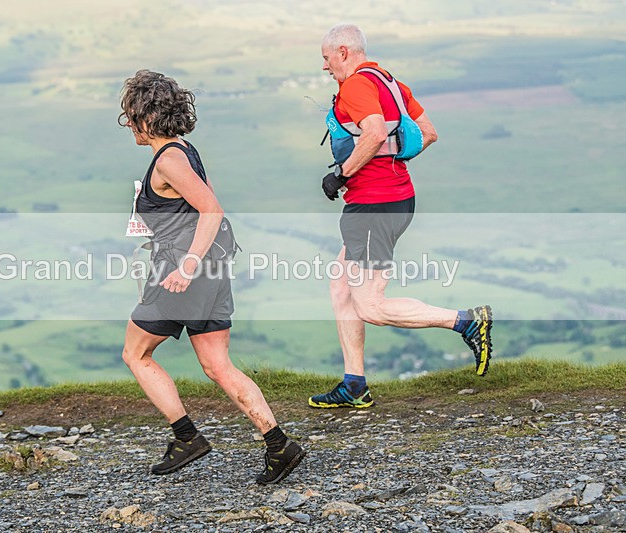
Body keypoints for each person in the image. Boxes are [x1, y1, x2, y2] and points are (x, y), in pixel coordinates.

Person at [118, 70, 305, 483]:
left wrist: (186, 266)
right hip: (212, 270)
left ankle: (187, 437)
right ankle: (279, 445)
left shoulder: (168, 160)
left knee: (136, 353)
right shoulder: (185, 150)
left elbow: (212, 210)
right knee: (218, 365)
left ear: (146, 118)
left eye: (132, 115)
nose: (128, 123)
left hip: (181, 275)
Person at [309, 24, 494, 409]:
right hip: (393, 197)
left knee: (370, 305)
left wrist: (342, 174)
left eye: (327, 58)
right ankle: (354, 385)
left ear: (343, 52)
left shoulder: (356, 86)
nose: (325, 67)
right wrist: (390, 163)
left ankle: (466, 321)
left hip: (374, 207)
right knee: (341, 286)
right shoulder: (390, 83)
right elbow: (428, 132)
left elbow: (375, 133)